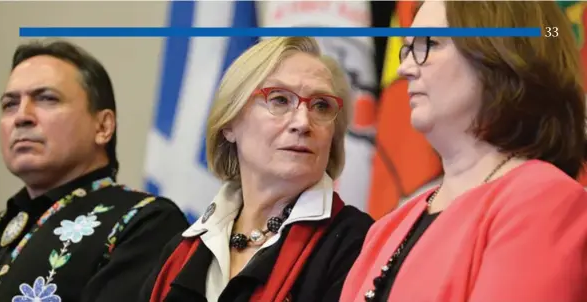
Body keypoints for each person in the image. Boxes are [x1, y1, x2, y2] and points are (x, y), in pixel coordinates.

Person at [341, 1, 587, 302]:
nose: (404, 69)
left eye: (429, 44)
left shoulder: (546, 201)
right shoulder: (387, 228)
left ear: (501, 52)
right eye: (406, 49)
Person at [140, 37, 374, 302]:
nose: (302, 122)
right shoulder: (180, 253)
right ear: (229, 123)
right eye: (280, 100)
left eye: (321, 105)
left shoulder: (359, 243)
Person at [0, 40, 190, 302]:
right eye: (10, 104)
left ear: (103, 127)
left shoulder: (145, 222)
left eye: (46, 98)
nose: (21, 116)